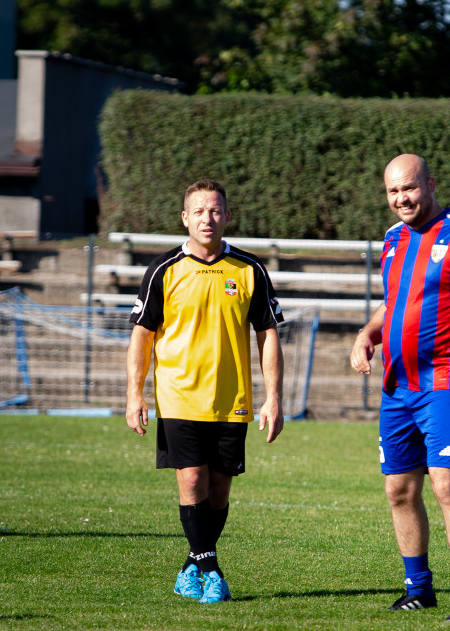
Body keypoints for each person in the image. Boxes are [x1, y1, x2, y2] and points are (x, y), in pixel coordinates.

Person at [350, 154, 450, 622]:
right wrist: (367, 334)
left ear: (430, 184)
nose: (402, 199)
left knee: (446, 484)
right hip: (398, 386)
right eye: (394, 191)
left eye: (410, 188)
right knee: (398, 489)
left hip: (448, 380)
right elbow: (396, 303)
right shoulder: (393, 240)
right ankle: (418, 588)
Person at [124, 179, 285, 603]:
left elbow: (268, 335)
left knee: (218, 493)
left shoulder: (250, 270)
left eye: (214, 211)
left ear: (227, 216)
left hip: (232, 401)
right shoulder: (165, 269)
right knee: (192, 481)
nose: (207, 219)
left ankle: (190, 565)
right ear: (184, 218)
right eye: (198, 211)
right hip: (178, 396)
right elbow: (142, 337)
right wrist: (134, 394)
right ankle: (212, 572)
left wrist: (274, 398)